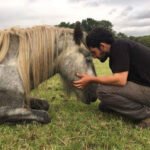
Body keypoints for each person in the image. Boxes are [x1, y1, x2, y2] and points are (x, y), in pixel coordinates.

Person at [73, 27, 150, 128]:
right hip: (145, 88)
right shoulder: (117, 53)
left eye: (93, 52)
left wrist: (91, 79)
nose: (94, 57)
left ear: (102, 46)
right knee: (105, 106)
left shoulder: (119, 46)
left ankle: (146, 114)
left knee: (102, 91)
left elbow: (120, 80)